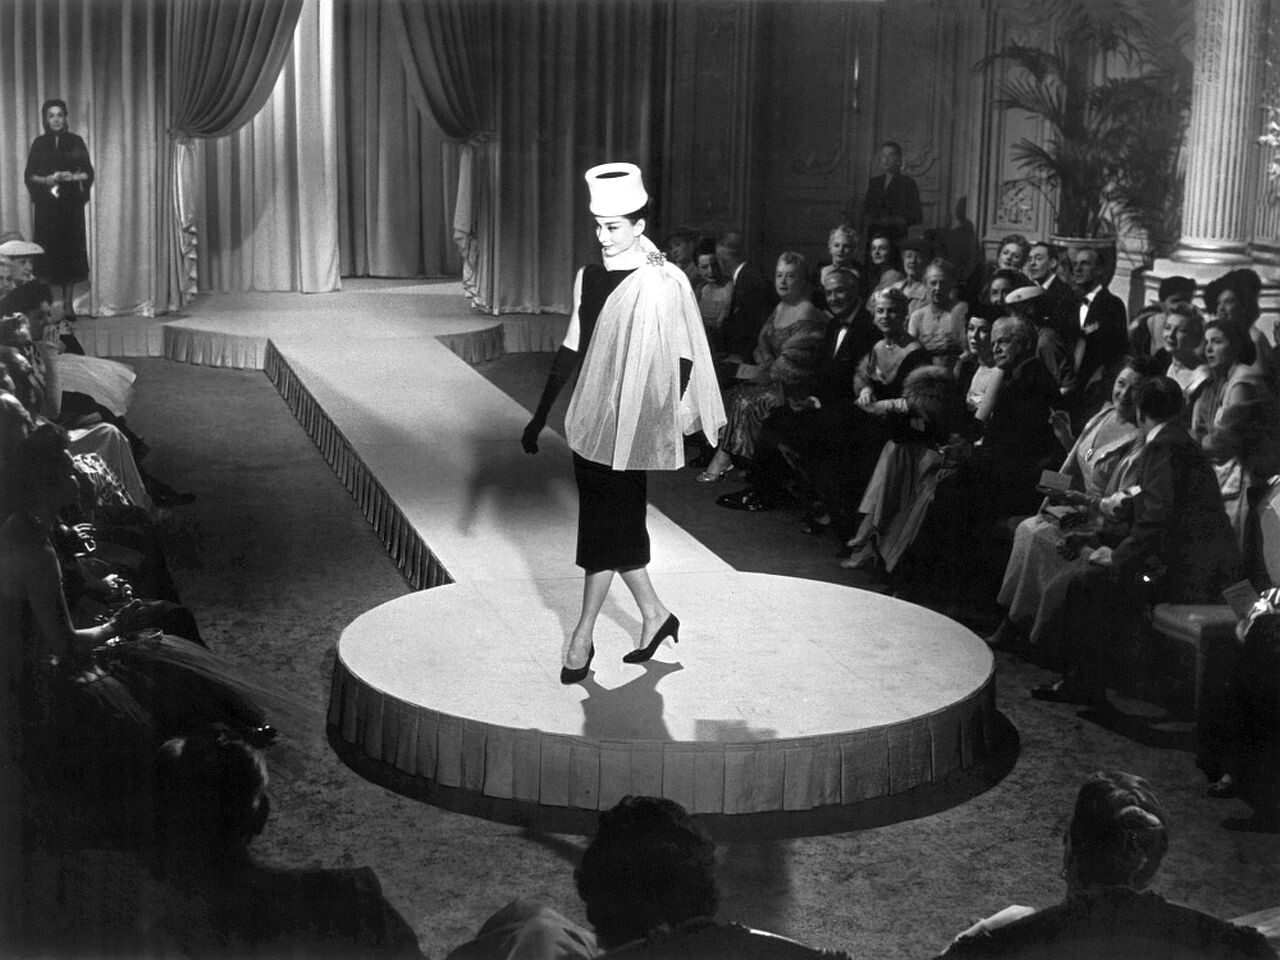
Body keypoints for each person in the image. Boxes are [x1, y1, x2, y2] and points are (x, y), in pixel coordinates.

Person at [521, 163, 725, 683]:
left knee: (604, 526)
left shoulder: (662, 282)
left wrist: (661, 421)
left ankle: (581, 637)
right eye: (598, 226)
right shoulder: (588, 277)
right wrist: (539, 415)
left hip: (634, 425)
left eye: (613, 227)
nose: (603, 236)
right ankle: (655, 615)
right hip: (591, 418)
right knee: (616, 525)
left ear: (639, 226)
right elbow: (572, 346)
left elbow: (683, 357)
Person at [1032, 377, 1241, 704]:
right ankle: (1090, 678)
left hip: (1181, 574)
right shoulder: (1178, 442)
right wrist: (1094, 536)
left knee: (1088, 583)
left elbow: (1156, 522)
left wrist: (1117, 558)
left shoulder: (1162, 448)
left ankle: (1084, 682)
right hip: (1184, 564)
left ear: (1141, 411)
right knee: (1094, 578)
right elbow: (1142, 514)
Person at [940, 771, 1276, 958]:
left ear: (1071, 848)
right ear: (1149, 863)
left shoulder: (1017, 938)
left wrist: (973, 937)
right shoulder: (1208, 936)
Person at [988, 357, 1158, 651]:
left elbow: (1120, 506)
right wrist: (1065, 445)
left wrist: (1079, 507)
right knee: (1029, 527)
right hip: (1074, 510)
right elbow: (1073, 468)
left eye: (1135, 389)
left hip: (1102, 522)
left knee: (1037, 535)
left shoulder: (1140, 441)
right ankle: (1015, 620)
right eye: (1121, 384)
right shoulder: (1102, 416)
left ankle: (1030, 630)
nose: (1125, 394)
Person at [696, 252, 826, 483]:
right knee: (732, 391)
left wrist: (767, 373)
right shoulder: (781, 307)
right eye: (779, 275)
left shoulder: (807, 312)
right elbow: (762, 344)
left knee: (747, 400)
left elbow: (796, 362)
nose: (783, 281)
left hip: (794, 387)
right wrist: (763, 368)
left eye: (790, 276)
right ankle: (735, 460)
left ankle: (735, 463)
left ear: (802, 280)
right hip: (771, 376)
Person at [24, 99, 93, 319]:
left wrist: (71, 177)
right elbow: (29, 175)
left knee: (69, 253)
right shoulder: (39, 143)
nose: (56, 119)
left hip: (70, 207)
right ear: (45, 119)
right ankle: (48, 305)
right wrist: (46, 180)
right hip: (47, 208)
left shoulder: (75, 142)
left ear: (65, 118)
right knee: (47, 253)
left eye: (60, 115)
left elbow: (88, 173)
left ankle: (68, 305)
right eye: (51, 115)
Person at [1067, 246, 1128, 426]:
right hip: (1068, 390)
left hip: (1096, 393)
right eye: (1075, 264)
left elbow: (1117, 353)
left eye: (1084, 264)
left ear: (1099, 270)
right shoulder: (1069, 303)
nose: (1077, 269)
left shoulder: (1112, 305)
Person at [1190, 318, 1268, 443]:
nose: (1208, 348)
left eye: (1217, 342)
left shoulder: (1242, 383)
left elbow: (1229, 440)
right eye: (1207, 342)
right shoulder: (1223, 380)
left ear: (1236, 345)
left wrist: (1197, 439)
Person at [908, 258, 968, 368]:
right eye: (933, 283)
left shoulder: (961, 311)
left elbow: (968, 352)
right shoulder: (917, 317)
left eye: (943, 283)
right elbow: (910, 354)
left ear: (952, 284)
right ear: (925, 284)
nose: (938, 288)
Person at [860, 141, 922, 245]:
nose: (886, 159)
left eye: (891, 155)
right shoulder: (874, 182)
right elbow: (867, 208)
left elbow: (917, 216)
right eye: (883, 155)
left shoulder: (908, 183)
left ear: (898, 160)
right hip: (875, 235)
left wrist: (893, 221)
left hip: (896, 236)